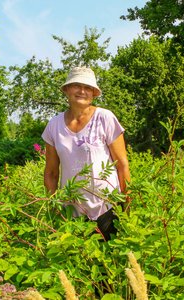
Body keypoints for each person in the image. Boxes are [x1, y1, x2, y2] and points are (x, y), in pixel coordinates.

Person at [42, 66, 131, 241]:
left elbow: (122, 164)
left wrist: (126, 207)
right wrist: (53, 208)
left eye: (88, 87)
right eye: (77, 85)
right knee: (78, 265)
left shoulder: (105, 118)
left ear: (94, 93)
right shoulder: (54, 125)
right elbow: (51, 173)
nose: (82, 91)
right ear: (67, 90)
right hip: (72, 214)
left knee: (111, 262)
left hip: (108, 209)